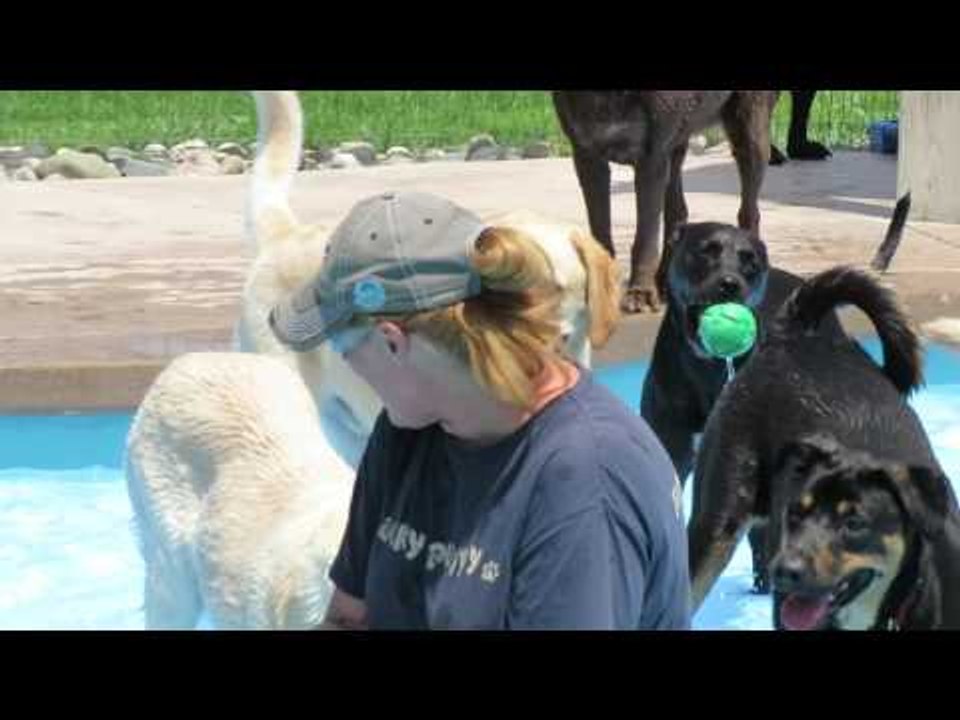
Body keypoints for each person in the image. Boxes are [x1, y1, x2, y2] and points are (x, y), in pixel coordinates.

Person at [269, 191, 690, 630]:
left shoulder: (584, 478)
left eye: (340, 346)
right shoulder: (409, 430)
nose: (344, 363)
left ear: (393, 341)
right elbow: (348, 616)